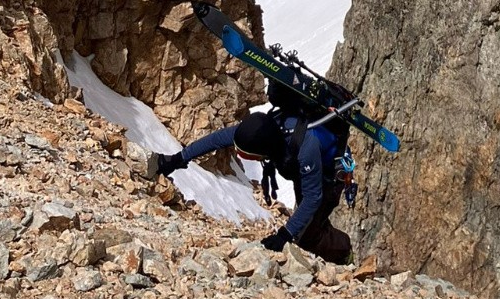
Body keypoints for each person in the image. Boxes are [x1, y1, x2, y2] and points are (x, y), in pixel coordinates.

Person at [148, 109, 353, 264]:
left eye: (247, 155)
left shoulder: (306, 146)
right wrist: (178, 159)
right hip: (304, 173)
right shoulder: (262, 130)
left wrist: (285, 234)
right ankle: (322, 239)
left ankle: (345, 254)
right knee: (307, 224)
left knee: (306, 236)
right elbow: (217, 139)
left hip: (328, 179)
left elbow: (313, 197)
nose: (240, 155)